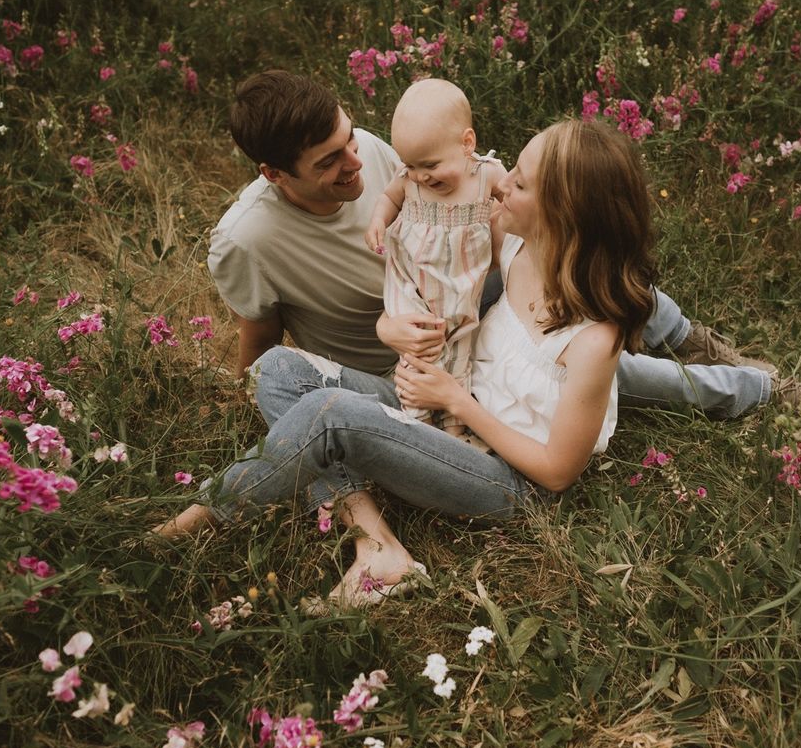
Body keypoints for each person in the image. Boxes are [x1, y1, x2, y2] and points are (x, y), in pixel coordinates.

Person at [157, 120, 658, 609]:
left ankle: (204, 512)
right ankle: (377, 548)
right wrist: (389, 327)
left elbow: (556, 473)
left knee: (334, 412)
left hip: (506, 479)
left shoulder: (594, 341)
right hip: (449, 403)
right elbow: (433, 272)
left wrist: (454, 398)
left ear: (563, 213)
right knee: (277, 369)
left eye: (520, 182)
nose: (501, 182)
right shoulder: (518, 248)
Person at [207, 69, 801, 426]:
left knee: (566, 245)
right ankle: (767, 393)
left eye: (352, 140)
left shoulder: (370, 152)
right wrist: (250, 401)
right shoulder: (248, 240)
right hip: (426, 361)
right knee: (594, 367)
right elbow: (261, 339)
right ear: (274, 172)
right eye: (330, 162)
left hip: (468, 295)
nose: (356, 162)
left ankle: (687, 334)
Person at [364, 79, 506, 434]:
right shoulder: (409, 180)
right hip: (412, 280)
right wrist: (378, 221)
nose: (419, 176)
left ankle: (455, 428)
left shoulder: (485, 173)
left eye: (428, 164)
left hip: (461, 290)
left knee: (458, 349)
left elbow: (518, 195)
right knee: (420, 348)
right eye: (409, 165)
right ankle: (417, 420)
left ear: (467, 143)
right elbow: (388, 198)